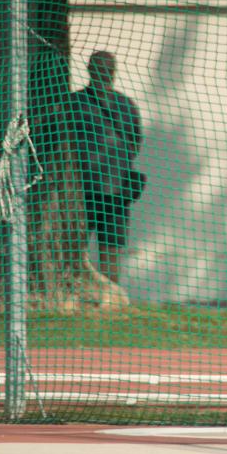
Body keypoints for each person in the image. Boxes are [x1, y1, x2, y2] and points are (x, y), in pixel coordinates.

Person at [68, 51, 145, 283]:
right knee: (74, 247)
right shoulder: (75, 103)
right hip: (82, 191)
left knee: (111, 249)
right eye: (100, 68)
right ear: (90, 70)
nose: (105, 74)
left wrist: (115, 166)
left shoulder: (125, 105)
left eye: (108, 69)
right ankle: (75, 290)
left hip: (116, 192)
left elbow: (135, 142)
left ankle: (109, 293)